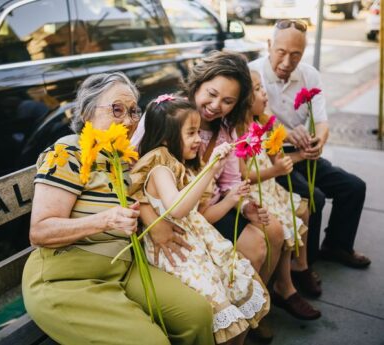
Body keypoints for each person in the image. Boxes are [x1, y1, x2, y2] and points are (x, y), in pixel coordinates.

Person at [22, 72, 215, 345]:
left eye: (134, 111)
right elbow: (40, 232)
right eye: (117, 110)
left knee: (198, 314)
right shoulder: (68, 152)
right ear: (89, 112)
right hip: (67, 279)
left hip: (123, 270)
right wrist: (105, 220)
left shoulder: (124, 158)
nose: (128, 120)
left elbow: (148, 196)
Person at [132, 52, 284, 286]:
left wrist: (244, 207)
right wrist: (153, 220)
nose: (215, 106)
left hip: (207, 207)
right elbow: (131, 170)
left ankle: (267, 298)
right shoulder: (165, 113)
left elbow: (230, 182)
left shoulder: (225, 129)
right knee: (256, 246)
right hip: (170, 211)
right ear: (197, 84)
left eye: (227, 101)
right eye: (211, 94)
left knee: (272, 231)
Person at [130, 96, 270, 345]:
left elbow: (195, 213)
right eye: (191, 133)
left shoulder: (176, 166)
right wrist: (211, 167)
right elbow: (178, 209)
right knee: (219, 306)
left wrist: (227, 196)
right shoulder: (159, 167)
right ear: (165, 136)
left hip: (196, 246)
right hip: (177, 255)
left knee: (231, 295)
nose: (198, 140)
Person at [249, 20, 371, 274]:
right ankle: (304, 265)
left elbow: (322, 121)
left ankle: (337, 245)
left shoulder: (309, 75)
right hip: (273, 159)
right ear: (269, 45)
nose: (286, 62)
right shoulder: (253, 75)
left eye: (296, 55)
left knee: (354, 187)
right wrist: (290, 137)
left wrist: (318, 141)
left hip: (303, 153)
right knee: (312, 197)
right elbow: (258, 123)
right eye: (281, 52)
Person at [237, 70, 321, 322]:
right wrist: (276, 169)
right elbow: (244, 175)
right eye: (258, 89)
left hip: (271, 187)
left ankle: (300, 266)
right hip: (257, 192)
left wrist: (293, 158)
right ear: (243, 98)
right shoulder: (239, 131)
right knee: (286, 222)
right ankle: (285, 287)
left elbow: (277, 156)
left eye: (263, 87)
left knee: (303, 209)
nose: (264, 93)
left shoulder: (262, 123)